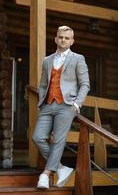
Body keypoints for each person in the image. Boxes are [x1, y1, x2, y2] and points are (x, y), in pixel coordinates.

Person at [32, 25, 90, 189]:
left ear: (72, 41)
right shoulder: (47, 60)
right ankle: (61, 168)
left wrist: (77, 104)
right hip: (48, 105)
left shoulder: (78, 59)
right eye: (61, 37)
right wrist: (41, 101)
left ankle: (46, 174)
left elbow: (85, 84)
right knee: (37, 137)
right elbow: (43, 84)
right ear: (56, 38)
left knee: (58, 140)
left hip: (66, 105)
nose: (63, 40)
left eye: (67, 38)